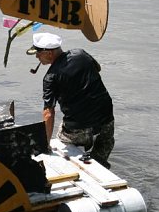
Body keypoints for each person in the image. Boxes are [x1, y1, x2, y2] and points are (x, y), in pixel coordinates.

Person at [27, 32, 115, 168]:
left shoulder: (50, 77)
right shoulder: (80, 53)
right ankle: (100, 164)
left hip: (79, 128)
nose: (37, 57)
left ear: (49, 53)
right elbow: (98, 68)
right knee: (101, 156)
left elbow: (48, 113)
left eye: (38, 53)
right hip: (106, 119)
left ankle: (71, 167)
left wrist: (45, 144)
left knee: (61, 142)